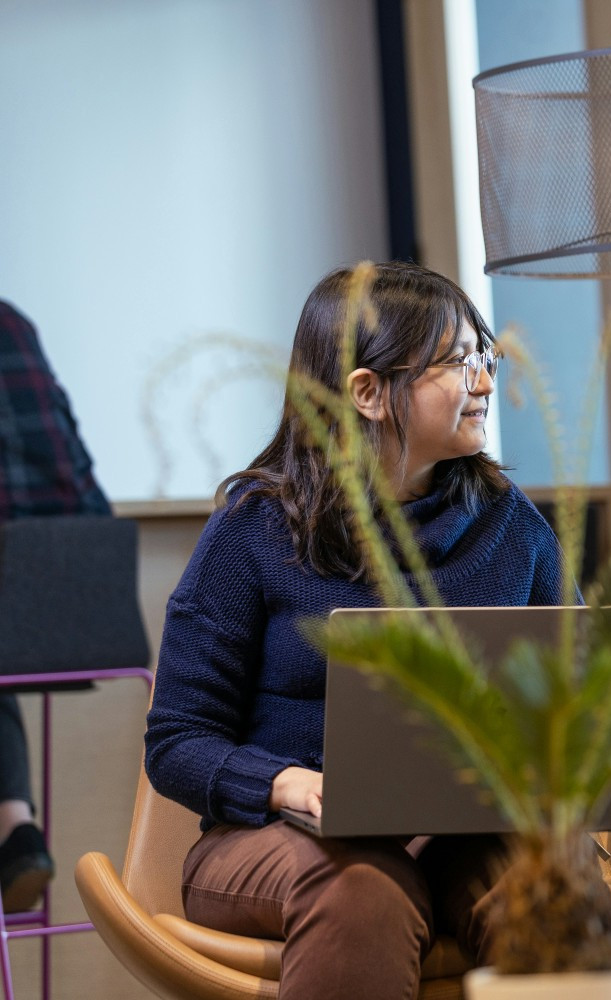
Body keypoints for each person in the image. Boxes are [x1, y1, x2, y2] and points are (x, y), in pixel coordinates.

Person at [144, 262, 566, 1000]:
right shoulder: (252, 531)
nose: (487, 382)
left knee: (550, 890)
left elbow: (566, 706)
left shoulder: (513, 529)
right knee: (363, 889)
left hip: (462, 837)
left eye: (485, 357)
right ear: (367, 392)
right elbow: (178, 742)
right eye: (460, 362)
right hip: (272, 842)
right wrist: (285, 784)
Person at [0, 299, 113, 912]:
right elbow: (77, 458)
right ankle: (15, 829)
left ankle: (14, 828)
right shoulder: (13, 319)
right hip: (83, 586)